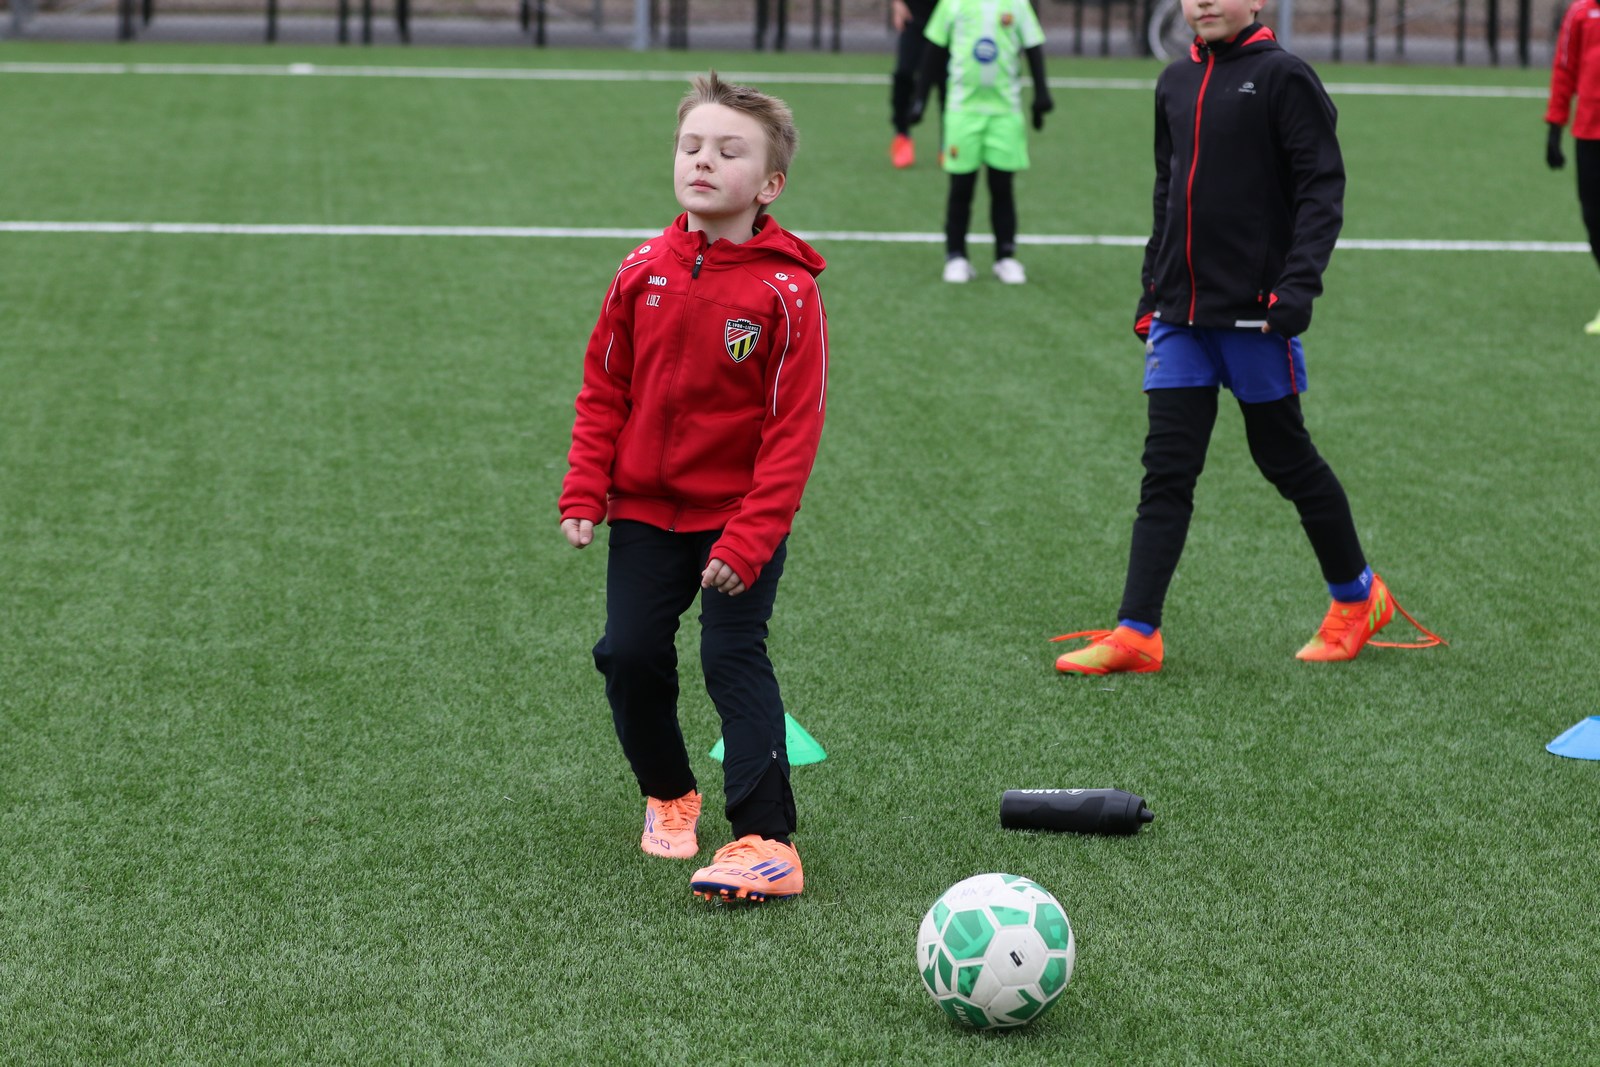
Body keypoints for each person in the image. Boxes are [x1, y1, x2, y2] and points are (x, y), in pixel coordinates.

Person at [1052, 0, 1441, 675]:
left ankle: (1358, 598)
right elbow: (1167, 190)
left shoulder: (1285, 77)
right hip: (1179, 315)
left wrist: (1297, 288)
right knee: (1166, 470)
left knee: (1283, 456)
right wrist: (1152, 289)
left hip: (1254, 315)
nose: (1203, 2)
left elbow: (1322, 190)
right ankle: (1138, 631)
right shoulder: (1174, 80)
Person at [559, 72, 829, 902]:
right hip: (646, 510)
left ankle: (767, 839)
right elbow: (605, 387)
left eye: (727, 151)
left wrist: (748, 539)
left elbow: (793, 430)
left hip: (738, 519)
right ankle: (671, 791)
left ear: (770, 184)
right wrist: (585, 488)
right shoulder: (641, 269)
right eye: (691, 146)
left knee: (730, 654)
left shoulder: (787, 291)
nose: (703, 161)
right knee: (628, 653)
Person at [907, 0, 1053, 284]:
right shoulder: (952, 4)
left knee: (1002, 187)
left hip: (1005, 113)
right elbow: (934, 50)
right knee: (961, 187)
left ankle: (1005, 257)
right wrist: (920, 99)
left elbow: (1034, 47)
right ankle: (956, 256)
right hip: (963, 112)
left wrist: (1041, 94)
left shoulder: (1017, 5)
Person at [1546, 0, 1600, 333]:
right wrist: (1555, 129)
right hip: (1589, 133)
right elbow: (1564, 69)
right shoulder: (1581, 13)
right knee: (1593, 217)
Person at [889, 0, 941, 168]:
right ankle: (902, 136)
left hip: (947, 18)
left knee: (947, 81)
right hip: (914, 17)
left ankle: (948, 143)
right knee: (903, 75)